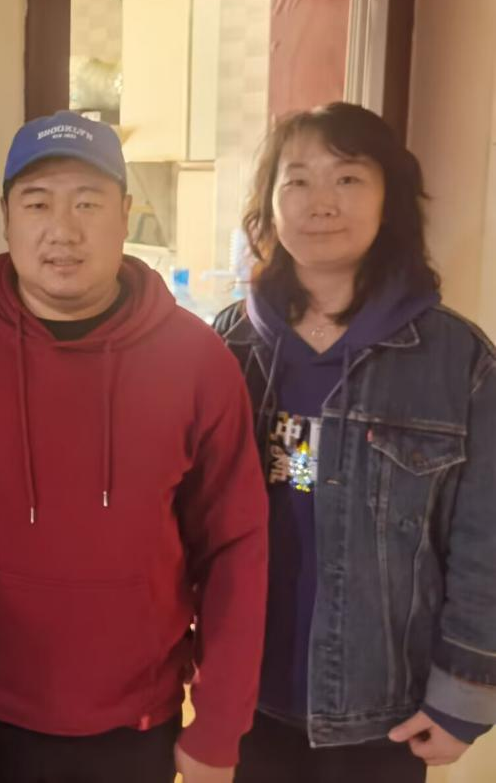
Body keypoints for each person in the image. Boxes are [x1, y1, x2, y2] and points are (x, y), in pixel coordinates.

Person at [0, 110, 269, 782]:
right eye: (37, 203)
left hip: (131, 724)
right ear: (6, 217)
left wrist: (217, 725)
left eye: (87, 203)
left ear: (125, 214)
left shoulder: (198, 361)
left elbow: (235, 548)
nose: (62, 230)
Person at [213, 102, 496, 783]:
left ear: (388, 197)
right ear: (268, 204)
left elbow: (485, 537)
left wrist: (464, 693)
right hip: (242, 695)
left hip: (382, 707)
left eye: (347, 178)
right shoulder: (226, 345)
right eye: (297, 180)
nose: (321, 203)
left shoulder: (454, 357)